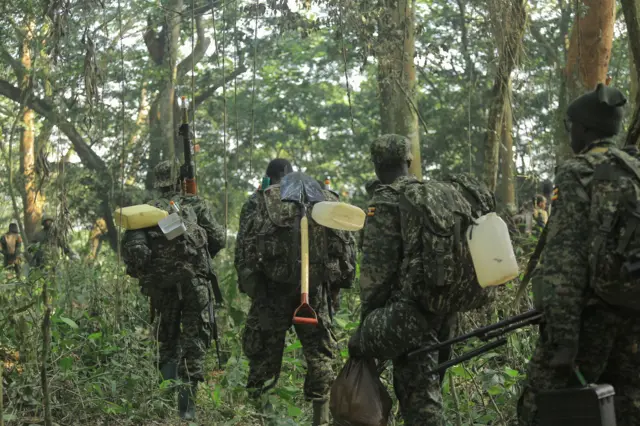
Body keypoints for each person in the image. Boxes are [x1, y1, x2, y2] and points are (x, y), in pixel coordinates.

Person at [517, 84, 640, 426]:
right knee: (627, 407)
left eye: (570, 126)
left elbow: (564, 264)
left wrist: (563, 338)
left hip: (591, 317)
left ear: (584, 129)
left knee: (540, 408)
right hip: (632, 312)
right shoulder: (634, 168)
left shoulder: (577, 172)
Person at [235, 159, 356, 426]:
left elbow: (244, 251)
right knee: (320, 354)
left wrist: (253, 290)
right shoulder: (321, 199)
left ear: (270, 177)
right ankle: (320, 419)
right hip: (314, 290)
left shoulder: (259, 201)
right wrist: (334, 288)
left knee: (263, 353)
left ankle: (261, 416)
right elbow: (345, 248)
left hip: (271, 290)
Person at [348, 134, 458, 425]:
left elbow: (376, 273)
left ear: (375, 164)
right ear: (409, 161)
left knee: (421, 402)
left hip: (410, 312)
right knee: (429, 388)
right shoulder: (432, 195)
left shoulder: (385, 201)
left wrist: (367, 325)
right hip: (445, 306)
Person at [121, 159, 225, 420]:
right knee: (195, 340)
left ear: (156, 182)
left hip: (162, 287)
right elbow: (219, 239)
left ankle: (165, 401)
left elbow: (135, 254)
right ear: (180, 181)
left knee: (166, 338)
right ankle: (186, 410)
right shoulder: (194, 204)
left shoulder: (143, 212)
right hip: (195, 284)